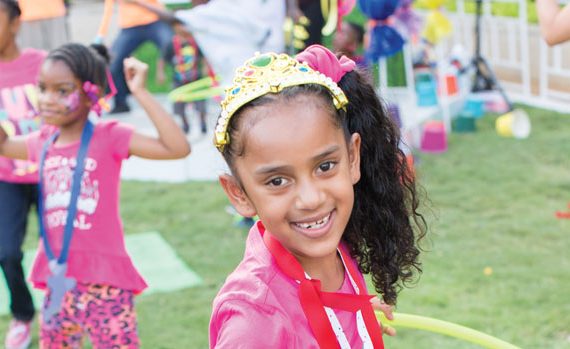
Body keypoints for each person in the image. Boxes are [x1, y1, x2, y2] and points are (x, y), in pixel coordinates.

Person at [210, 45, 426, 347]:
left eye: (325, 166)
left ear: (353, 158)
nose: (310, 199)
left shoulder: (331, 246)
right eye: (277, 181)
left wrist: (353, 314)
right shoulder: (253, 322)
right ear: (239, 193)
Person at [0, 43, 190, 348]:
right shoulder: (44, 141)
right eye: (43, 88)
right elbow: (5, 146)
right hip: (57, 281)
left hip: (107, 283)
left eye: (62, 91)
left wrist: (140, 92)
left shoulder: (109, 136)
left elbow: (176, 148)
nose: (47, 99)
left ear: (92, 94)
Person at [0, 1, 46, 348]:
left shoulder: (43, 63)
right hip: (7, 179)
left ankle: (62, 313)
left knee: (61, 253)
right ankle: (22, 314)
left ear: (15, 23)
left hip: (51, 174)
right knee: (6, 253)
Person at [96, 0, 173, 114]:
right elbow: (108, 9)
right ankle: (120, 103)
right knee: (113, 62)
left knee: (173, 48)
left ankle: (187, 93)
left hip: (154, 19)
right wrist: (101, 34)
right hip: (129, 26)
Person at [163, 25, 208, 134]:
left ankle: (202, 122)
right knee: (179, 105)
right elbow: (163, 59)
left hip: (196, 78)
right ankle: (185, 124)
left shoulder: (195, 42)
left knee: (200, 103)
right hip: (179, 80)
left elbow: (204, 56)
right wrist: (161, 73)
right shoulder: (171, 44)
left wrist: (206, 68)